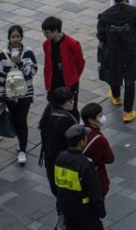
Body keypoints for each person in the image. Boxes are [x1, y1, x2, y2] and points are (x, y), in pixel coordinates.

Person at [97, 0, 136, 123]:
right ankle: (128, 111)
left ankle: (116, 96)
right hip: (131, 50)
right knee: (130, 80)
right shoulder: (134, 11)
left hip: (113, 51)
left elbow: (101, 36)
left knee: (114, 73)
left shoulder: (105, 16)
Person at [0, 24, 38, 165]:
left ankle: (22, 150)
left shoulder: (28, 52)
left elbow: (32, 72)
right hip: (9, 96)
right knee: (14, 120)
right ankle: (21, 143)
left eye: (18, 36)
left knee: (21, 121)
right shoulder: (3, 55)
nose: (15, 39)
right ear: (9, 38)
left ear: (22, 37)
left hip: (25, 94)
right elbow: (0, 77)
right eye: (13, 37)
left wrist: (21, 64)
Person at [39, 87, 79, 229]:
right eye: (69, 101)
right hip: (64, 164)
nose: (72, 103)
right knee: (66, 194)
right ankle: (62, 222)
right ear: (61, 103)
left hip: (51, 162)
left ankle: (61, 218)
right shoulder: (67, 120)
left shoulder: (48, 114)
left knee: (59, 192)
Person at [54, 124, 107, 229]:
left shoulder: (61, 157)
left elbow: (59, 185)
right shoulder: (85, 163)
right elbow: (93, 191)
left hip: (67, 208)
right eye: (85, 136)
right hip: (85, 211)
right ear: (81, 141)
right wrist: (101, 210)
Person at [41, 17, 85, 113]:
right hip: (53, 83)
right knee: (54, 108)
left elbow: (80, 62)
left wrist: (74, 76)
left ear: (56, 31)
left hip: (68, 83)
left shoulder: (72, 44)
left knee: (71, 109)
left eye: (47, 32)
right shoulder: (46, 44)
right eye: (44, 32)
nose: (45, 34)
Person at [80, 103, 114, 198]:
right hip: (96, 180)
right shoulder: (99, 139)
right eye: (100, 116)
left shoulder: (80, 132)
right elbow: (110, 159)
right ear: (91, 120)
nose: (103, 117)